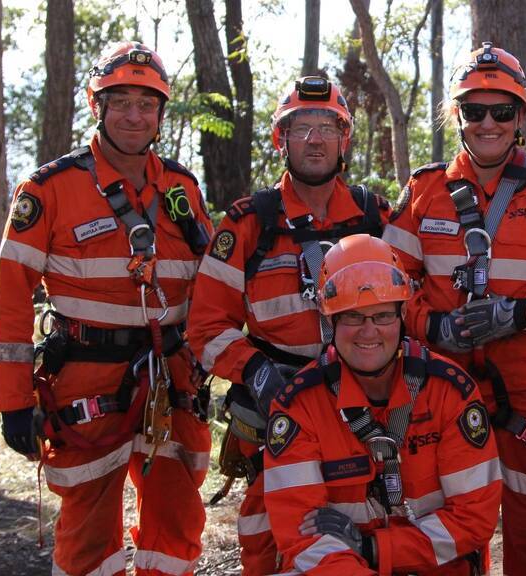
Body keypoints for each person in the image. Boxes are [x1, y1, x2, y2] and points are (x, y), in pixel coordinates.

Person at [382, 42, 526, 573]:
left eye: (501, 110)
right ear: (458, 116)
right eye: (474, 110)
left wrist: (525, 312)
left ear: (520, 117)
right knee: (445, 514)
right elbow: (389, 283)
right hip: (441, 378)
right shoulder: (424, 190)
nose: (488, 122)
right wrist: (432, 324)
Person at [0, 41, 212, 575]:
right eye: (121, 102)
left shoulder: (182, 189)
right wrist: (13, 400)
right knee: (89, 530)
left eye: (146, 102)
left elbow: (212, 288)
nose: (134, 115)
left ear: (161, 113)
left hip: (173, 380)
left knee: (178, 522)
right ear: (98, 107)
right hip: (86, 379)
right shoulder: (50, 189)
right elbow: (13, 298)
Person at [187, 75, 390, 574]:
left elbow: (413, 308)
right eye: (301, 128)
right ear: (281, 140)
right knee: (267, 527)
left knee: (370, 523)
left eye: (327, 126)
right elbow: (205, 327)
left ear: (345, 140)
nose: (315, 139)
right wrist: (257, 373)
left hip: (364, 404)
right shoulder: (247, 224)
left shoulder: (375, 216)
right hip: (277, 404)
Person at [261, 234, 502, 574]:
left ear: (403, 313)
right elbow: (301, 537)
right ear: (330, 319)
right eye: (353, 317)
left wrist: (374, 549)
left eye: (382, 316)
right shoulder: (298, 407)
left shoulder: (450, 392)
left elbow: (474, 517)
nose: (368, 332)